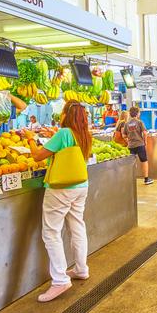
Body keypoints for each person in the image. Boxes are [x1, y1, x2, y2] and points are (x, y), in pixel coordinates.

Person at [29, 100, 92, 302]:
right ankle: (81, 269)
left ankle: (60, 280)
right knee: (77, 226)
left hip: (61, 188)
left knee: (51, 232)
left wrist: (31, 139)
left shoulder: (64, 133)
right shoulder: (83, 135)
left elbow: (38, 155)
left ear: (66, 115)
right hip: (81, 186)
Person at [123, 107, 153, 185]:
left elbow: (124, 135)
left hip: (131, 146)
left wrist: (128, 140)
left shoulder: (127, 123)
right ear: (137, 113)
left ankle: (130, 179)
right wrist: (145, 141)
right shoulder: (139, 122)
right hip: (140, 145)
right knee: (144, 161)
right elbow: (145, 133)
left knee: (131, 163)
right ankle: (146, 179)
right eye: (139, 112)